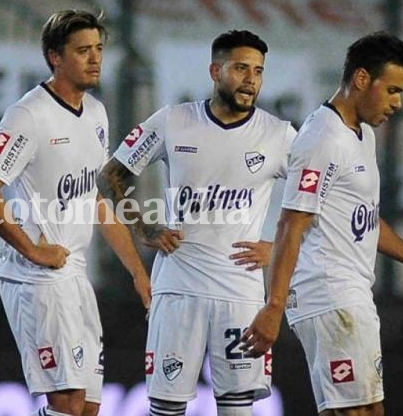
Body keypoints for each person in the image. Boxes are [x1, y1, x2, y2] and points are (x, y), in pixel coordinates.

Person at [240, 32, 403, 415]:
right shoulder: (322, 138)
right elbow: (291, 223)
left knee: (366, 410)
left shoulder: (362, 135)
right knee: (354, 412)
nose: (398, 103)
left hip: (351, 295)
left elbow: (363, 216)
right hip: (328, 297)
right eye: (392, 90)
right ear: (360, 79)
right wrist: (273, 305)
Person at [97, 30, 296, 416]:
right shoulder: (174, 121)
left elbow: (318, 198)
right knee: (167, 408)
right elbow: (110, 176)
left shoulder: (278, 134)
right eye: (241, 68)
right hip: (178, 288)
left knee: (237, 409)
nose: (251, 79)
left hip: (240, 292)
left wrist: (277, 247)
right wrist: (145, 228)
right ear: (215, 70)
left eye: (258, 71)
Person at [0, 10, 151, 416]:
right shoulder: (29, 115)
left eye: (99, 49)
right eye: (82, 50)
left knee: (86, 406)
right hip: (38, 281)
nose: (95, 59)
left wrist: (138, 272)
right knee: (66, 402)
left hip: (75, 276)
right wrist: (33, 250)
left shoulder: (97, 114)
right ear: (55, 57)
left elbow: (97, 201)